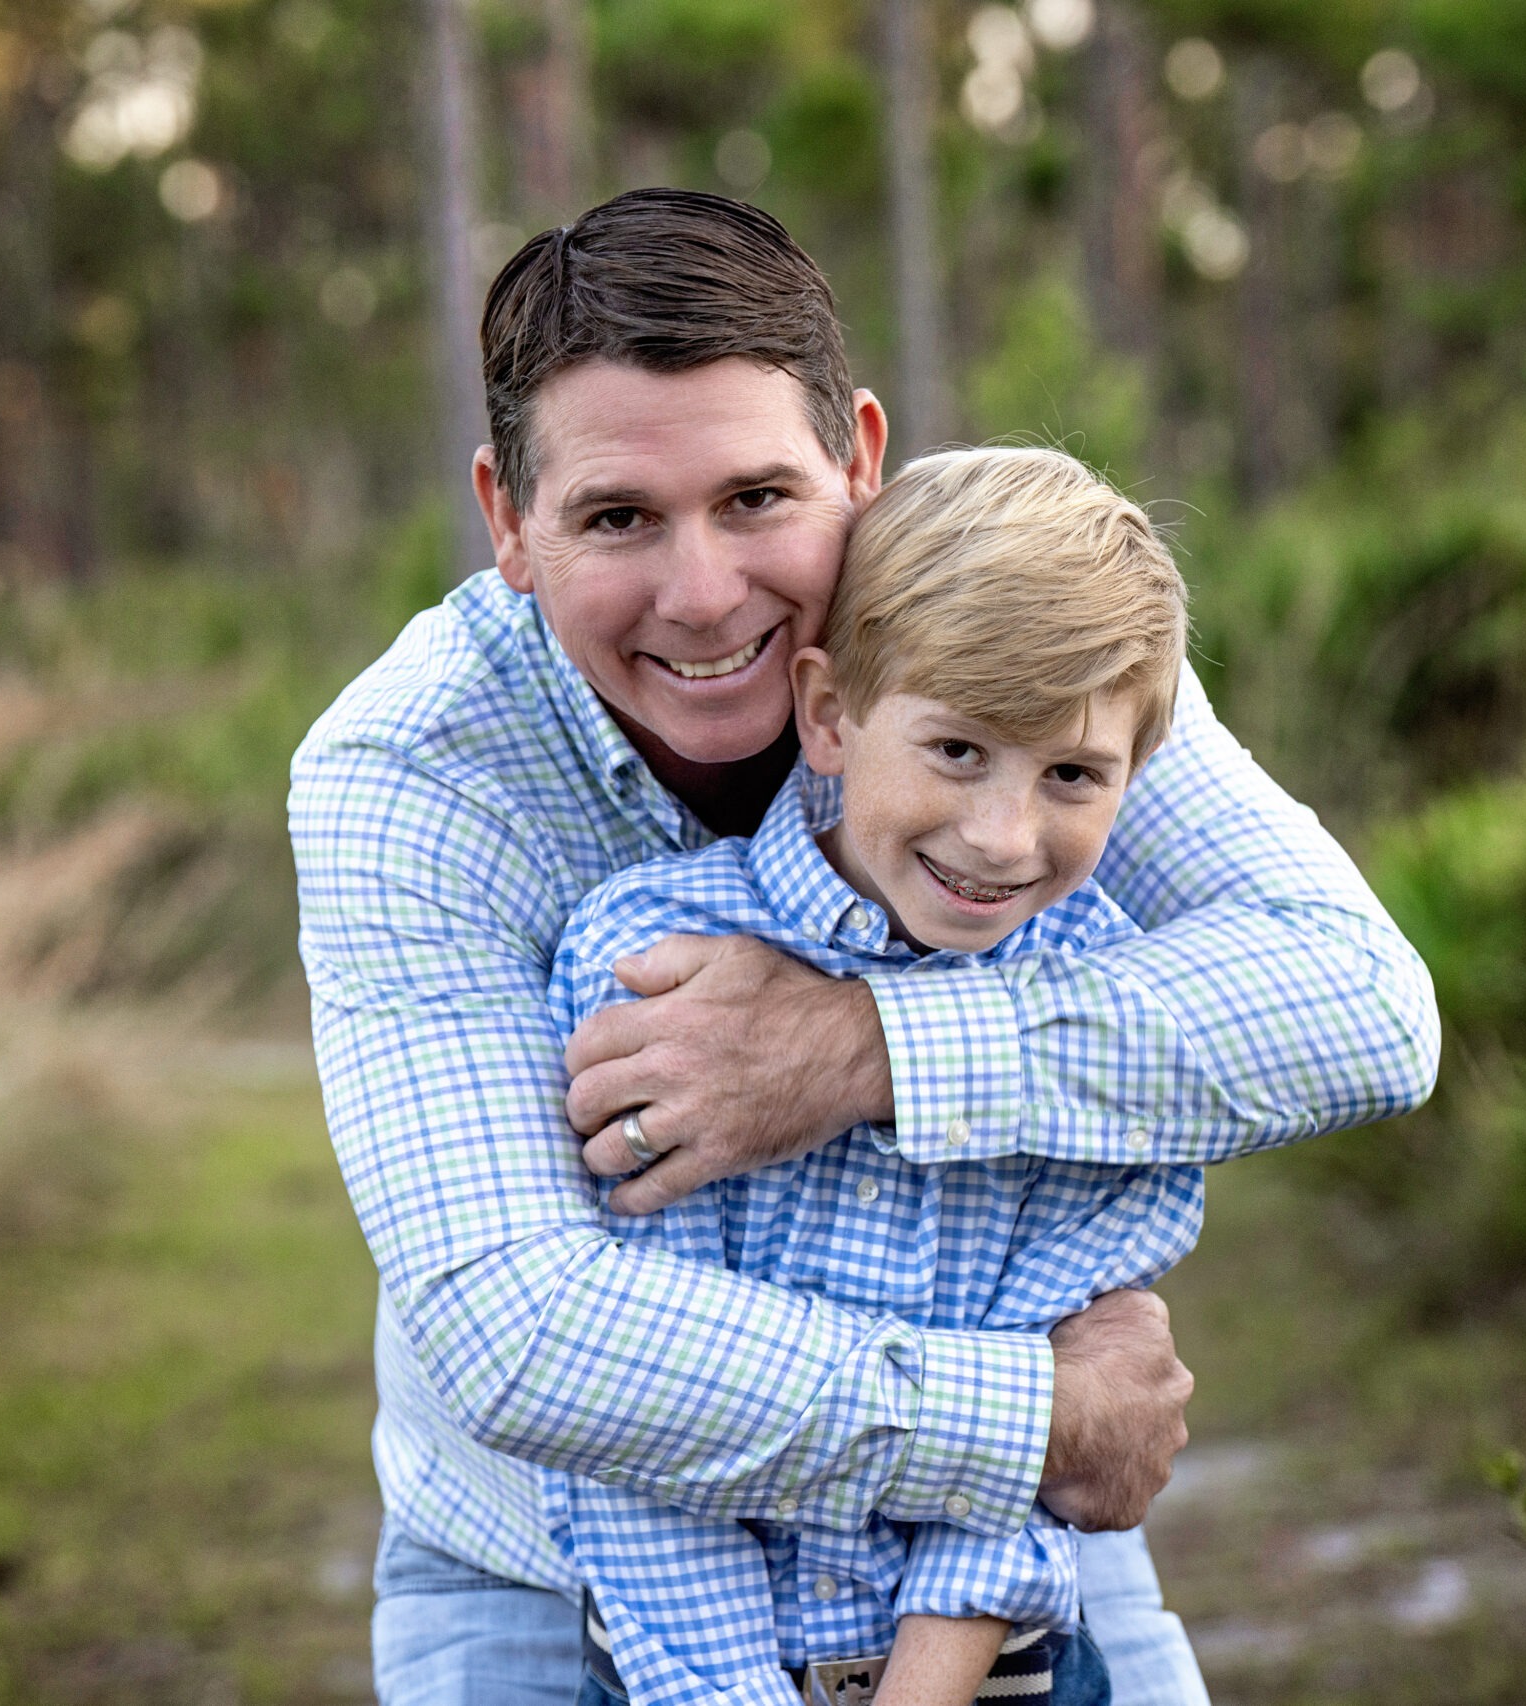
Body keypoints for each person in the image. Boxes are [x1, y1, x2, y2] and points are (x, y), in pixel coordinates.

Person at [287, 188, 1440, 1706]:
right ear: (508, 518)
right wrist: (1026, 1416)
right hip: (558, 1569)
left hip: (987, 1561)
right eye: (620, 517)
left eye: (759, 498)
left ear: (862, 458)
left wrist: (861, 1047)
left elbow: (1360, 1005)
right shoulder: (412, 769)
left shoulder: (1008, 623)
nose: (705, 596)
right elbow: (516, 1330)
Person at [546, 446, 1207, 1706]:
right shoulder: (648, 963)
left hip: (992, 1673)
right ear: (832, 712)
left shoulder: (1107, 1006)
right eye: (958, 749)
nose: (1004, 837)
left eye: (1071, 773)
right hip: (681, 1673)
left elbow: (1061, 1401)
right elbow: (636, 1410)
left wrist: (921, 1690)